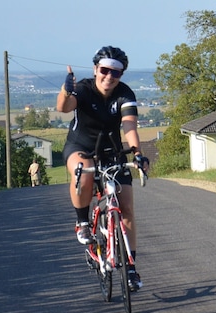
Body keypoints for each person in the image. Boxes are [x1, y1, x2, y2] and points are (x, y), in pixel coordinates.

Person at [56, 46, 149, 292]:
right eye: (105, 70)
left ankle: (130, 267)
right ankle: (82, 223)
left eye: (116, 73)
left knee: (126, 207)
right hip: (81, 147)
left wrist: (138, 153)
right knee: (83, 171)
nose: (109, 77)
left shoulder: (124, 93)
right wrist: (66, 89)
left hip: (112, 151)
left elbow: (129, 127)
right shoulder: (84, 88)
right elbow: (64, 107)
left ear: (121, 76)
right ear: (96, 69)